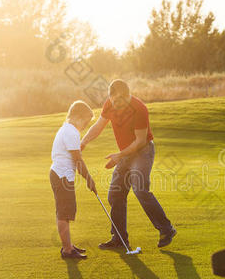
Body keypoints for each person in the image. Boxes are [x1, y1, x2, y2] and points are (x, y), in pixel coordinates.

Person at [81, 79, 176, 249]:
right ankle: (119, 239)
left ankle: (166, 229)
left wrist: (119, 155)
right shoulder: (109, 105)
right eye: (114, 100)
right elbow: (98, 126)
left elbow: (140, 141)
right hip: (125, 153)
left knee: (140, 190)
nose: (117, 104)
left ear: (128, 96)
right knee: (115, 195)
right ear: (110, 97)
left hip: (142, 152)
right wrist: (83, 142)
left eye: (120, 100)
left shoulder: (139, 109)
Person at [50, 100, 97, 259]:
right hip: (62, 175)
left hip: (61, 174)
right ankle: (67, 250)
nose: (85, 125)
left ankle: (68, 245)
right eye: (86, 121)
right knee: (64, 213)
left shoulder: (67, 129)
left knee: (66, 211)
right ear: (78, 116)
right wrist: (89, 179)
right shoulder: (71, 132)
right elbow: (78, 159)